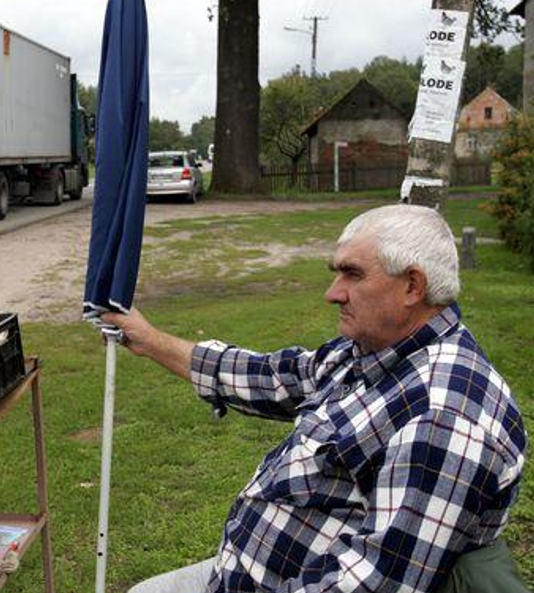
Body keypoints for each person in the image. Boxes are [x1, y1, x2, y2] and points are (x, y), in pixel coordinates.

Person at [102, 205, 527, 593]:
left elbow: (374, 586)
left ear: (413, 286)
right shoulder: (374, 351)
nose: (333, 292)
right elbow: (271, 377)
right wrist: (151, 340)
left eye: (353, 274)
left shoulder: (445, 418)